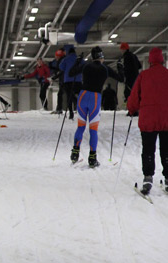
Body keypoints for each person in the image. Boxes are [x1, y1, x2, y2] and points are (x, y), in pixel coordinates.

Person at [68, 46, 124, 168]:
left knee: (81, 127)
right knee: (93, 129)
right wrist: (120, 68)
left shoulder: (86, 65)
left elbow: (71, 73)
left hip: (82, 96)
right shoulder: (105, 68)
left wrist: (77, 62)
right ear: (101, 57)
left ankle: (75, 153)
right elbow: (121, 78)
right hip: (95, 98)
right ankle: (92, 158)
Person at [127, 47, 168, 194]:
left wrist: (131, 108)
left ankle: (148, 177)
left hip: (148, 120)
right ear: (162, 60)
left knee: (148, 149)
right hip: (166, 119)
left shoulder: (144, 75)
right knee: (166, 150)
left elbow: (134, 96)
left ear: (150, 60)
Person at [58, 46, 82, 120]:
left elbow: (61, 67)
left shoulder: (66, 59)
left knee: (69, 97)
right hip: (78, 80)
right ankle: (82, 109)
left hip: (68, 81)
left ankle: (71, 113)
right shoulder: (79, 59)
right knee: (81, 95)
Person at [49, 48, 66, 114]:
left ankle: (59, 109)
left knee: (60, 94)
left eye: (56, 56)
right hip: (65, 79)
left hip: (64, 80)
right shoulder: (63, 60)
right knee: (68, 93)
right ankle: (59, 108)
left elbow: (61, 71)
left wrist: (53, 78)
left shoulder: (61, 61)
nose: (55, 57)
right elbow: (58, 70)